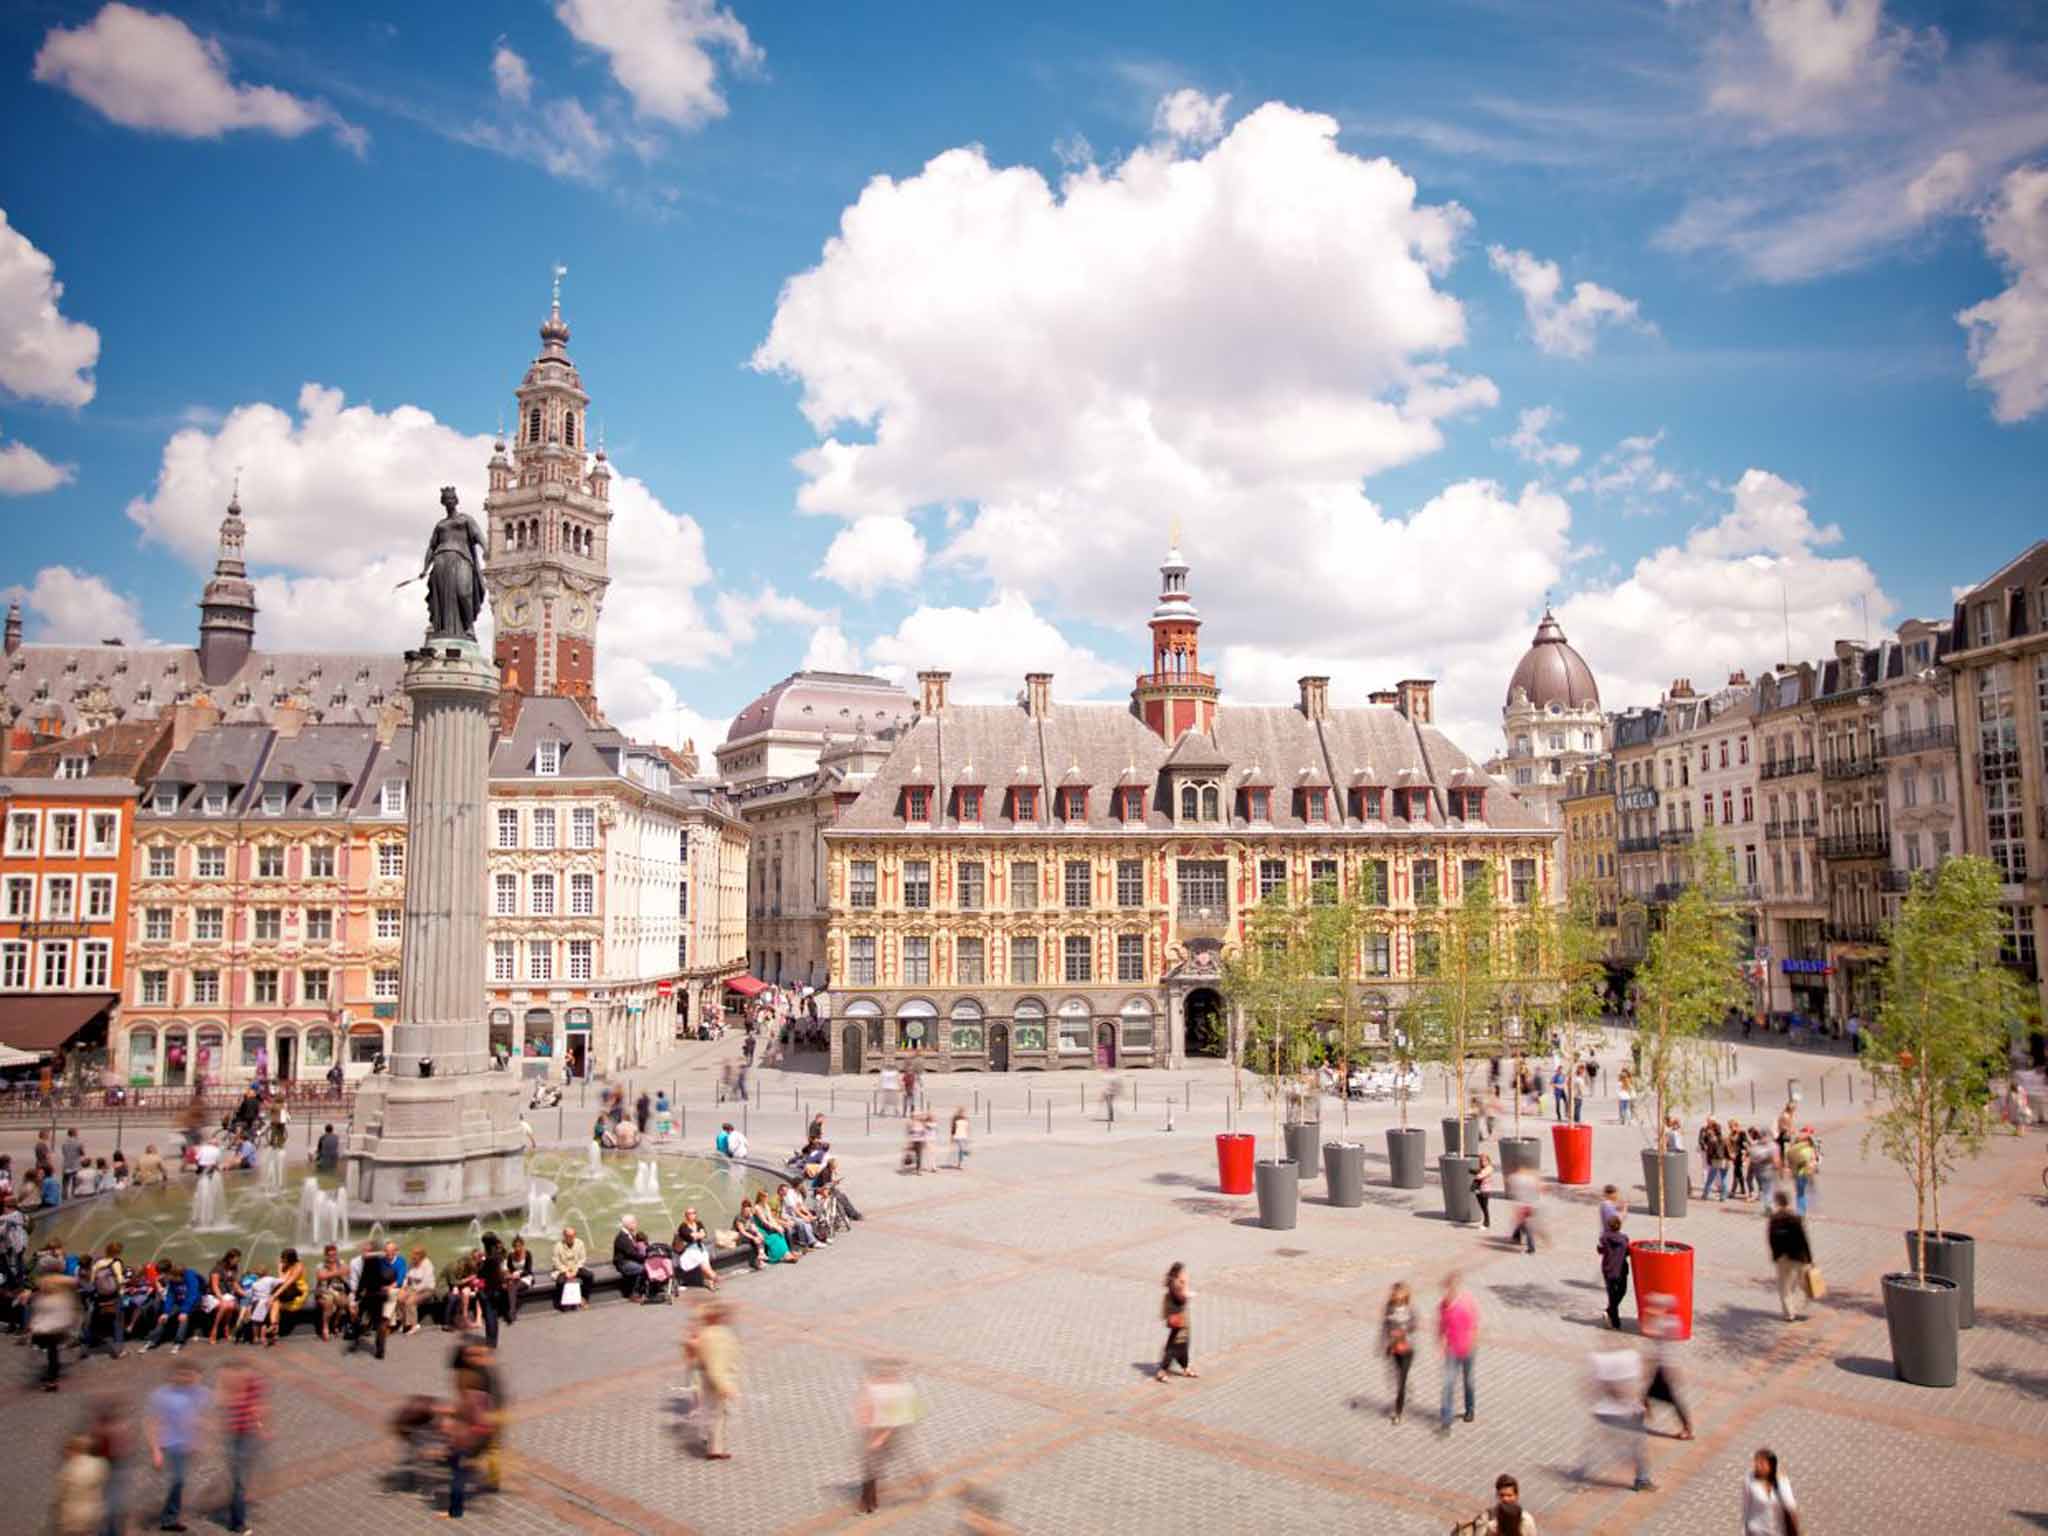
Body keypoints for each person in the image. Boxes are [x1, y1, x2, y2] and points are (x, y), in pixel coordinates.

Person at [855, 1357, 928, 1512]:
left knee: (906, 1459)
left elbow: (901, 1417)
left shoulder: (900, 1391)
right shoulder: (876, 1387)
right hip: (878, 1432)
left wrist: (880, 1437)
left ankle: (924, 1481)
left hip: (892, 1432)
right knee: (870, 1467)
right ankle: (868, 1502)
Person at [1581, 1345, 1653, 1492]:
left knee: (1629, 1445)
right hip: (1617, 1414)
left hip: (1610, 1413)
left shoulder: (1614, 1359)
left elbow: (1591, 1386)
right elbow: (1620, 1389)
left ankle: (1641, 1477)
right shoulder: (1628, 1358)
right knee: (1635, 1446)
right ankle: (1641, 1479)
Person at [215, 1359, 267, 1535]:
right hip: (235, 1436)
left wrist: (259, 1424)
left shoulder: (253, 1381)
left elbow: (256, 1405)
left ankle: (239, 1506)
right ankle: (237, 1522)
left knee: (244, 1477)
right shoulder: (228, 1382)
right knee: (239, 1481)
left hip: (248, 1434)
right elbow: (222, 1402)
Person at [690, 1302, 740, 1460]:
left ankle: (715, 1447)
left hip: (710, 1377)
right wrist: (723, 1385)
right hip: (715, 1379)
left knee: (717, 1413)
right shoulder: (715, 1336)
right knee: (718, 1414)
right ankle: (714, 1449)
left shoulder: (707, 1333)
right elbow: (715, 1365)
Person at [1640, 1297, 1693, 1439]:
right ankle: (1644, 1412)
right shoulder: (1669, 1320)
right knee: (1648, 1393)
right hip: (1662, 1366)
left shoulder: (1668, 1322)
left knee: (1671, 1399)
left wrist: (1650, 1315)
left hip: (1665, 1367)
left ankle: (1687, 1428)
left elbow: (1648, 1330)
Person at [1437, 1272, 1479, 1431]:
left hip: (1468, 1349)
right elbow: (1441, 1326)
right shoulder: (1443, 1305)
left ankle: (1470, 1409)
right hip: (1452, 1350)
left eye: (1451, 1289)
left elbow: (1475, 1326)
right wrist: (1440, 1343)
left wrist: (1472, 1343)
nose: (1448, 1292)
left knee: (1468, 1381)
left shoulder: (1467, 1302)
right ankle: (1446, 1417)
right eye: (1446, 1289)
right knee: (1448, 1383)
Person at [1766, 1192, 1815, 1322]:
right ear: (1788, 1202)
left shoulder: (1774, 1218)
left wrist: (1775, 1255)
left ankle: (1789, 1314)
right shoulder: (1795, 1218)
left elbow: (1771, 1239)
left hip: (1782, 1257)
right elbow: (1803, 1239)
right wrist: (1810, 1259)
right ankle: (1802, 1304)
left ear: (1777, 1202)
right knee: (1804, 1283)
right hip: (1798, 1256)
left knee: (1784, 1287)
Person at [30, 1271, 80, 1392]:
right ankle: (52, 1376)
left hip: (52, 1329)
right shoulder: (56, 1297)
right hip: (52, 1328)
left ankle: (52, 1380)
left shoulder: (55, 1298)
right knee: (51, 1352)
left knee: (51, 1352)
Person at [52, 1432, 107, 1536]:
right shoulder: (99, 1464)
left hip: (72, 1516)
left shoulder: (68, 1469)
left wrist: (56, 1511)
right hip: (92, 1513)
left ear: (74, 1450)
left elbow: (61, 1496)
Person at [1743, 1447, 1799, 1535]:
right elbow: (1746, 1506)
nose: (1757, 1466)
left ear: (1771, 1466)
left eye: (1762, 1463)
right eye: (1756, 1462)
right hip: (1756, 1530)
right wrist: (1744, 1529)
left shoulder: (1782, 1481)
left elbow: (1790, 1505)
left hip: (1777, 1531)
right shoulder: (1749, 1478)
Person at [1155, 1262, 1196, 1382]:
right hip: (1178, 1317)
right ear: (1178, 1273)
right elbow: (1182, 1299)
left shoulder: (1173, 1282)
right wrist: (1186, 1286)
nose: (1185, 1274)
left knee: (1183, 1343)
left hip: (1179, 1316)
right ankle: (1162, 1371)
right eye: (1183, 1272)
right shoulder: (1176, 1284)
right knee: (1174, 1346)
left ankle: (1185, 1367)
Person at [1381, 1281, 1414, 1424]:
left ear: (1405, 1295)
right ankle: (1404, 1390)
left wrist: (1403, 1331)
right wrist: (1385, 1343)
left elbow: (1413, 1327)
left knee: (1401, 1382)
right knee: (1395, 1377)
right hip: (1394, 1349)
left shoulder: (1410, 1310)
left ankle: (1398, 1413)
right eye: (1394, 1295)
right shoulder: (1389, 1308)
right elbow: (1385, 1326)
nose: (1396, 1298)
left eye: (1399, 1295)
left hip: (1407, 1350)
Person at [351, 1239, 391, 1358]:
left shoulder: (369, 1262)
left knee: (359, 1316)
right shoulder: (380, 1260)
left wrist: (357, 1297)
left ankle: (356, 1340)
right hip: (379, 1295)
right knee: (379, 1323)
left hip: (370, 1295)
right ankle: (380, 1350)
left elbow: (363, 1280)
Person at [1597, 1215, 1630, 1329]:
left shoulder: (1604, 1238)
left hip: (1608, 1269)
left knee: (1612, 1295)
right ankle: (1611, 1314)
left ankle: (1615, 1322)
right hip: (1620, 1270)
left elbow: (1600, 1250)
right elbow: (1627, 1252)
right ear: (1619, 1226)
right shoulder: (1624, 1239)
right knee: (1622, 1291)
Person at [552, 1226, 593, 1310]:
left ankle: (584, 1298)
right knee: (560, 1282)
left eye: (572, 1236)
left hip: (576, 1267)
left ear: (575, 1235)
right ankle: (562, 1302)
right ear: (564, 1236)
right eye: (568, 1236)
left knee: (589, 1276)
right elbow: (556, 1261)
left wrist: (576, 1269)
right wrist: (565, 1271)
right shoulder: (558, 1245)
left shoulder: (580, 1243)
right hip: (563, 1269)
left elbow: (583, 1258)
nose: (570, 1238)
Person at [314, 1244, 350, 1340]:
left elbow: (347, 1271)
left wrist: (330, 1273)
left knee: (343, 1302)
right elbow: (320, 1277)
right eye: (329, 1255)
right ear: (325, 1255)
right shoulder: (320, 1265)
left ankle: (335, 1323)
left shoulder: (341, 1263)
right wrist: (338, 1272)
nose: (332, 1257)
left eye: (334, 1255)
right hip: (323, 1291)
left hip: (338, 1290)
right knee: (329, 1300)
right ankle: (325, 1327)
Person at [396, 1245, 435, 1333]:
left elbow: (426, 1283)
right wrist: (403, 1287)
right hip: (413, 1287)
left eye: (415, 1255)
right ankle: (404, 1322)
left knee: (410, 1301)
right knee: (399, 1298)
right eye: (412, 1254)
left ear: (421, 1256)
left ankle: (414, 1325)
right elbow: (406, 1277)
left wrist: (414, 1292)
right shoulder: (411, 1263)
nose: (412, 1257)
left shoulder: (427, 1264)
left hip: (426, 1289)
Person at [1506, 1166, 1541, 1255]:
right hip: (1529, 1206)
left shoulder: (1515, 1178)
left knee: (1527, 1228)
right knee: (1522, 1223)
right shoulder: (1530, 1179)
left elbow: (1510, 1183)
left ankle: (1531, 1249)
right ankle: (1516, 1236)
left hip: (1524, 1206)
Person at [614, 1215, 649, 1299]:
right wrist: (645, 1258)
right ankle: (634, 1293)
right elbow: (631, 1253)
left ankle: (644, 1290)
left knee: (645, 1267)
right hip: (623, 1263)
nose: (636, 1224)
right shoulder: (622, 1237)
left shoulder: (630, 1235)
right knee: (642, 1269)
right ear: (628, 1224)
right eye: (634, 1222)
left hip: (631, 1260)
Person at [1787, 1129, 1820, 1215]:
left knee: (1800, 1193)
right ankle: (1804, 1209)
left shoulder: (1793, 1149)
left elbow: (1789, 1161)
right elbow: (1814, 1160)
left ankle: (1801, 1211)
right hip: (1807, 1173)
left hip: (1798, 1173)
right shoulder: (1810, 1148)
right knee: (1804, 1192)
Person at [1471, 1153, 1495, 1229]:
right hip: (1479, 1190)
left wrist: (1476, 1173)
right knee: (1482, 1207)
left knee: (1485, 1207)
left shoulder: (1489, 1168)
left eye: (1485, 1161)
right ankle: (1486, 1222)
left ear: (1488, 1161)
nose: (1483, 1162)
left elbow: (1480, 1176)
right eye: (1481, 1161)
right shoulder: (1482, 1168)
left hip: (1485, 1190)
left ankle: (1486, 1223)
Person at [949, 1105, 972, 1170]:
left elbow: (967, 1128)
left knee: (961, 1150)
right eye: (961, 1111)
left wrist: (968, 1136)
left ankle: (960, 1163)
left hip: (964, 1135)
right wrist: (952, 1137)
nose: (963, 1113)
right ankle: (961, 1163)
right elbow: (953, 1128)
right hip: (957, 1135)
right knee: (962, 1149)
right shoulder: (955, 1118)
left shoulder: (966, 1119)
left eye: (963, 1112)